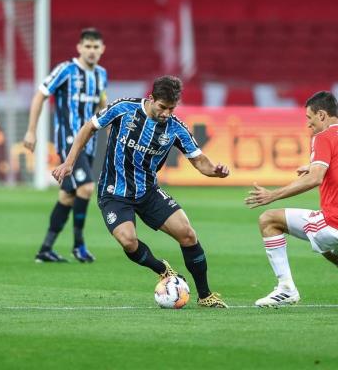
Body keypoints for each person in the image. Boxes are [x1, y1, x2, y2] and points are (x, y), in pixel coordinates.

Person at [52, 75, 229, 308]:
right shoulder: (124, 109)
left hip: (148, 192)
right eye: (163, 107)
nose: (167, 113)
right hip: (114, 192)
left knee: (187, 234)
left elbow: (200, 162)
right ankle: (162, 269)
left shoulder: (176, 128)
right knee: (128, 241)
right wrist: (69, 162)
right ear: (151, 98)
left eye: (172, 108)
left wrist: (216, 170)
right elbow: (89, 127)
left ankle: (205, 295)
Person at [245, 91, 338, 307]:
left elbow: (314, 179)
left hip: (333, 222)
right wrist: (317, 167)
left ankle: (286, 289)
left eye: (309, 118)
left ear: (322, 115)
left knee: (269, 219)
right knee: (325, 247)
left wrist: (272, 195)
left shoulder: (323, 137)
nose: (308, 125)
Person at [24, 27, 107, 263]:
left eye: (95, 47)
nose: (91, 51)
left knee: (68, 195)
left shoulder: (101, 74)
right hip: (68, 139)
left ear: (102, 49)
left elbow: (102, 102)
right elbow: (40, 95)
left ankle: (45, 249)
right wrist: (31, 130)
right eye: (87, 46)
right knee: (87, 187)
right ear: (79, 48)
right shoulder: (66, 70)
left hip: (89, 142)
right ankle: (79, 245)